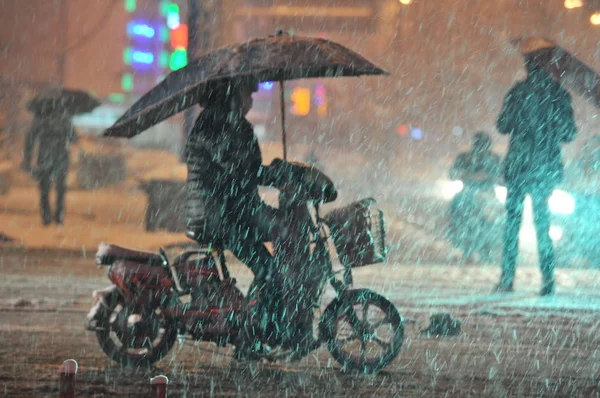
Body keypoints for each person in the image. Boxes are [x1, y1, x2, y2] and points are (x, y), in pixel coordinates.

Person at [184, 78, 324, 356]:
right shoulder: (217, 123)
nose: (250, 101)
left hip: (235, 209)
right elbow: (240, 170)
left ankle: (270, 328)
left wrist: (281, 171)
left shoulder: (230, 122)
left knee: (277, 247)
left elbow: (247, 170)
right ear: (231, 95)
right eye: (246, 94)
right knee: (269, 269)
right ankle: (252, 336)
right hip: (220, 215)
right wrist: (281, 174)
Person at [495, 60, 577, 296]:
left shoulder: (518, 92)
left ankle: (507, 279)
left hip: (519, 167)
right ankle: (547, 280)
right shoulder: (559, 95)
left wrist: (521, 120)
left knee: (512, 225)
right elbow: (569, 133)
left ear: (528, 68)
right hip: (545, 169)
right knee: (543, 225)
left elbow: (502, 125)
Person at [447, 132, 502, 262]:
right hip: (471, 194)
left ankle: (480, 247)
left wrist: (488, 177)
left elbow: (503, 177)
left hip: (485, 195)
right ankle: (474, 247)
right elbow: (452, 174)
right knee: (458, 211)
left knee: (495, 219)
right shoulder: (490, 158)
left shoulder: (469, 158)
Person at [21, 111, 77, 225]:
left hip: (44, 157)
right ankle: (59, 216)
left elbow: (30, 138)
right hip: (61, 157)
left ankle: (46, 216)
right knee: (60, 189)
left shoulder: (40, 118)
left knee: (44, 188)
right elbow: (73, 138)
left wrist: (27, 158)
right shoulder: (65, 118)